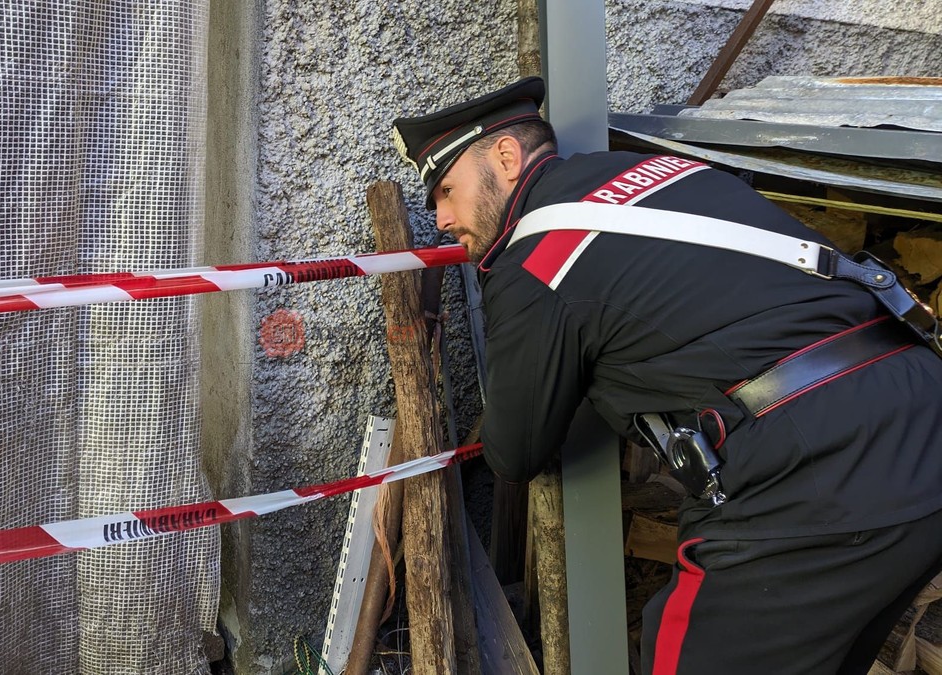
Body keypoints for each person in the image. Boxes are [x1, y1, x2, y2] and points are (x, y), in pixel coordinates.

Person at [391, 76, 942, 674]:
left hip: (814, 476)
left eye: (448, 191)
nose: (442, 218)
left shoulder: (536, 261)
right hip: (921, 408)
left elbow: (514, 451)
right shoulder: (666, 172)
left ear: (506, 156)